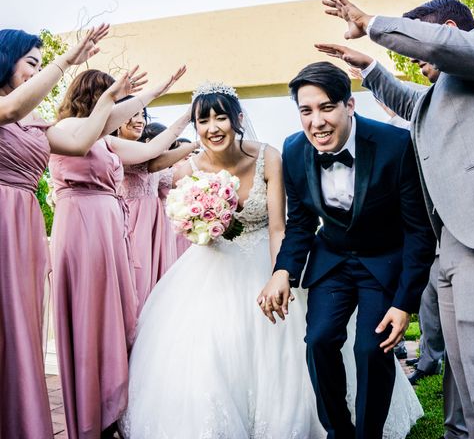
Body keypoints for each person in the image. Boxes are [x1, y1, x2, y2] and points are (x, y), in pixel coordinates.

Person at [121, 81, 424, 439]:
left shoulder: (269, 156)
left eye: (221, 117)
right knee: (210, 351)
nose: (213, 127)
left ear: (238, 119)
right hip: (211, 266)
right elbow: (155, 182)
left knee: (310, 340)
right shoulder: (188, 169)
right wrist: (201, 223)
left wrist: (280, 272)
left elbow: (282, 225)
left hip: (267, 254)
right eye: (203, 120)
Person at [321, 0, 474, 439]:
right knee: (463, 376)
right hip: (452, 248)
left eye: (425, 50)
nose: (419, 62)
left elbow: (442, 51)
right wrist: (369, 69)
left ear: (444, 31)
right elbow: (412, 102)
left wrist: (371, 22)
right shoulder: (440, 96)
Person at [259, 62, 436, 439]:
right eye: (306, 111)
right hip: (333, 260)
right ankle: (338, 431)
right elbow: (302, 224)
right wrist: (282, 271)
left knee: (372, 350)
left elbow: (419, 232)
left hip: (383, 261)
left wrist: (404, 303)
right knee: (319, 341)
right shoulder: (293, 150)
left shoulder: (396, 146)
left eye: (326, 107)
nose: (316, 122)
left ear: (349, 105)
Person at [0, 25, 128, 439]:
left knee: (20, 329)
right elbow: (9, 111)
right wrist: (66, 61)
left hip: (23, 225)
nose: (37, 73)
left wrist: (123, 99)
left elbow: (83, 139)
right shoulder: (11, 108)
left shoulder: (35, 120)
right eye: (31, 64)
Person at [50, 66, 187, 439]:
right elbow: (93, 129)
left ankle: (113, 404)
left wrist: (184, 110)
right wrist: (133, 94)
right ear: (93, 98)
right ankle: (91, 410)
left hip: (111, 232)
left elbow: (154, 150)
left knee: (117, 317)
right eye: (109, 96)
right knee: (89, 315)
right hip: (81, 226)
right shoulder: (64, 131)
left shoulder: (106, 143)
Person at [115, 105, 198, 312]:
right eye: (133, 114)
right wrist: (196, 144)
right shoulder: (121, 152)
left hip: (156, 223)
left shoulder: (150, 157)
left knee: (159, 280)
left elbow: (171, 178)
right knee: (138, 278)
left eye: (142, 115)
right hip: (134, 220)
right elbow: (149, 165)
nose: (140, 119)